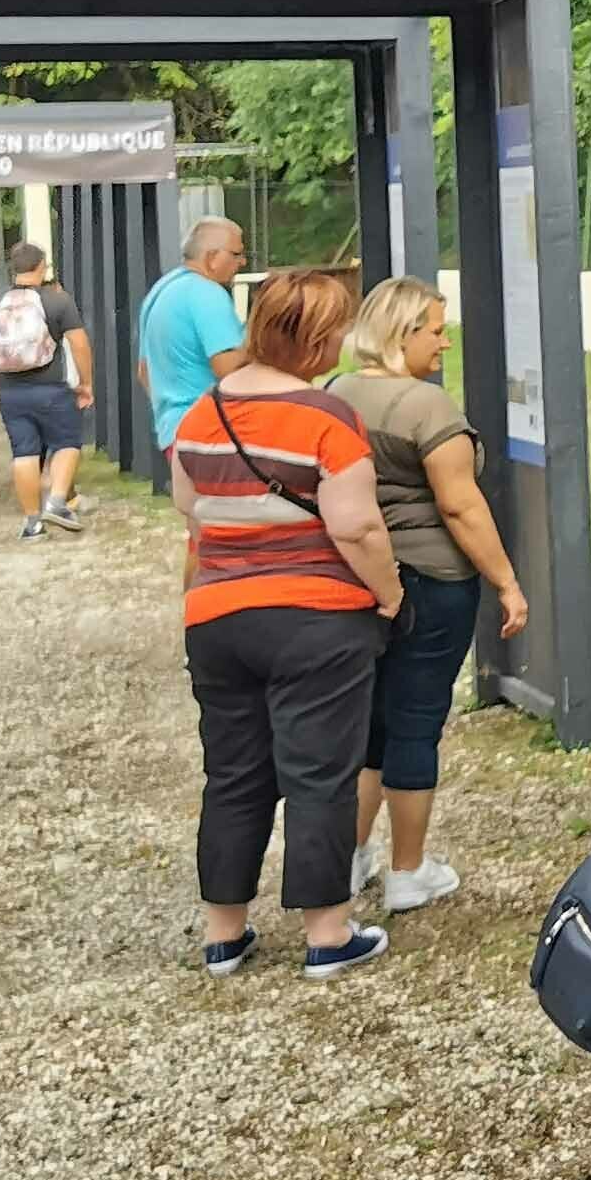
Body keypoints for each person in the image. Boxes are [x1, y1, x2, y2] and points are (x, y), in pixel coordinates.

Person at [171, 268, 404, 982]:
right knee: (319, 774)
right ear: (315, 339)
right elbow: (357, 524)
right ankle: (327, 934)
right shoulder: (326, 417)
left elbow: (192, 508)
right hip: (316, 620)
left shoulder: (202, 413)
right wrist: (389, 593)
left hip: (218, 615)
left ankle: (224, 934)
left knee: (233, 775)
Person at [330, 275, 527, 914]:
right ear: (402, 333)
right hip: (433, 581)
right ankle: (408, 871)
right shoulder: (427, 407)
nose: (443, 343)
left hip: (360, 578)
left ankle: (350, 856)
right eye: (435, 330)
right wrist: (505, 580)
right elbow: (460, 505)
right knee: (415, 722)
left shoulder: (335, 395)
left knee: (369, 725)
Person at [0, 239, 94, 543]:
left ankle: (32, 524)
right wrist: (86, 383)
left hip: (11, 392)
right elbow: (79, 344)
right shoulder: (57, 301)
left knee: (23, 453)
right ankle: (57, 502)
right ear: (42, 267)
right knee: (66, 443)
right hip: (51, 387)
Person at [140, 216, 250, 449]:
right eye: (236, 254)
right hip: (211, 434)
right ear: (211, 257)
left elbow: (144, 371)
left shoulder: (160, 291)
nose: (243, 261)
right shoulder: (209, 293)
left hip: (173, 431)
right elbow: (228, 369)